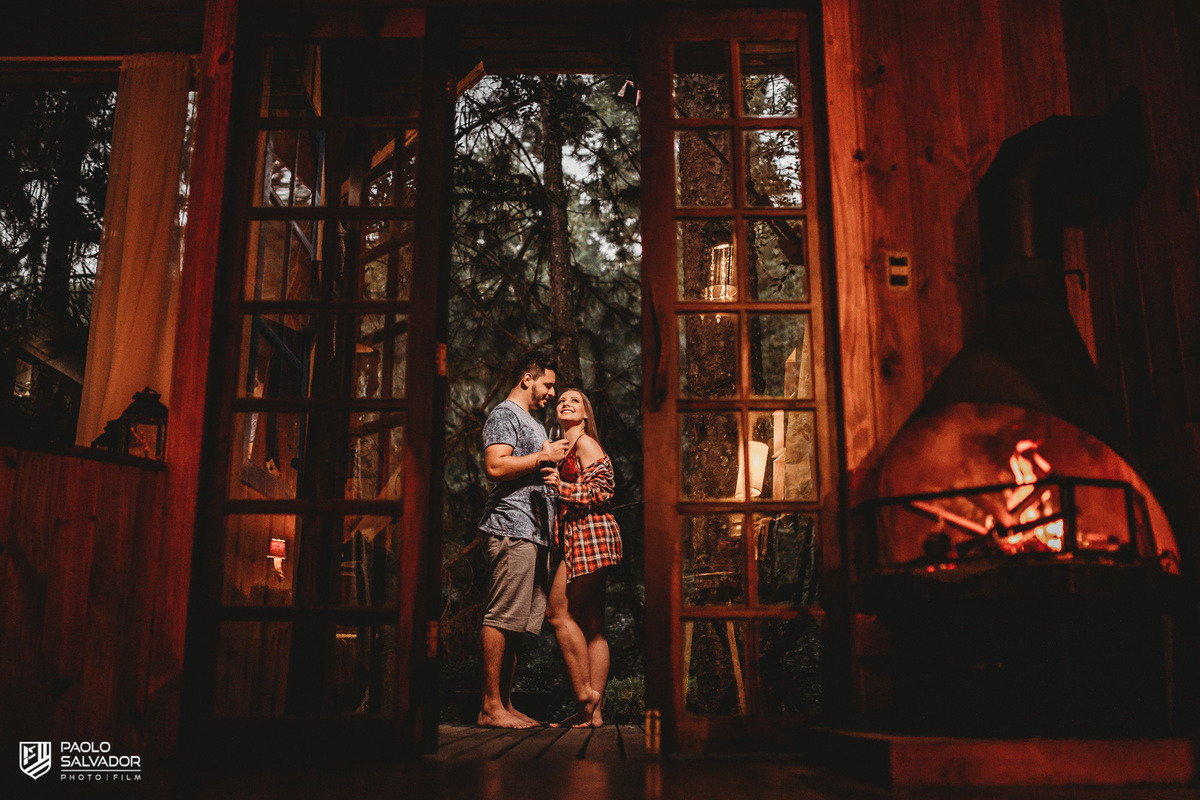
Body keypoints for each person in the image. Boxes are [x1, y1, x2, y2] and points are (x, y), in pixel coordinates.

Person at [477, 350, 569, 729]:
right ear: (527, 379)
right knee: (501, 616)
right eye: (548, 384)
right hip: (511, 527)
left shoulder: (531, 420)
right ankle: (489, 707)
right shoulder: (505, 414)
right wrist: (541, 456)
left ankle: (505, 704)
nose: (551, 393)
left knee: (515, 624)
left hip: (534, 534)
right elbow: (495, 466)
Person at [545, 388, 623, 728]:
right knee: (593, 626)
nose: (566, 403)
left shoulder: (586, 444)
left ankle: (585, 695)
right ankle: (591, 715)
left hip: (591, 534)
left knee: (558, 613)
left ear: (586, 414)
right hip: (579, 537)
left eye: (574, 400)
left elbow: (604, 489)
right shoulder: (565, 450)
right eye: (561, 400)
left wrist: (561, 487)